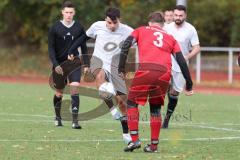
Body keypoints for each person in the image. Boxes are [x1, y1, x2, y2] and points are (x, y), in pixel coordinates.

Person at [118, 11, 193, 152]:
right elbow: (181, 60)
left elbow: (126, 44)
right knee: (155, 109)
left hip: (146, 71)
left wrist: (121, 68)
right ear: (163, 25)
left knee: (131, 103)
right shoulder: (170, 37)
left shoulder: (141, 30)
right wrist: (189, 83)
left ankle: (134, 140)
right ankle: (153, 146)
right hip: (164, 75)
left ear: (149, 23)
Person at [85, 7, 133, 143]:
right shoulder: (97, 26)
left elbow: (140, 41)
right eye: (109, 23)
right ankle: (112, 109)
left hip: (116, 67)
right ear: (105, 19)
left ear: (120, 20)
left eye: (115, 23)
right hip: (98, 62)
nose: (112, 26)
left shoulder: (128, 30)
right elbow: (83, 37)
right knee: (100, 78)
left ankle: (126, 135)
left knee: (122, 102)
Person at [48, 1, 89, 129]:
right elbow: (51, 48)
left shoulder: (79, 27)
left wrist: (86, 64)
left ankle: (75, 121)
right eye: (66, 12)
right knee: (59, 92)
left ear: (74, 13)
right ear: (62, 13)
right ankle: (58, 117)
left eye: (71, 12)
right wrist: (55, 64)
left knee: (75, 87)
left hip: (74, 63)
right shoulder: (55, 28)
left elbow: (84, 47)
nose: (69, 15)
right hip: (59, 64)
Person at [162, 5, 200, 129]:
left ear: (185, 16)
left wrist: (186, 57)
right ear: (173, 15)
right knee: (164, 85)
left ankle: (166, 120)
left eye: (180, 15)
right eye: (176, 15)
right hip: (166, 63)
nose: (178, 17)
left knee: (174, 94)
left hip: (181, 67)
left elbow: (197, 48)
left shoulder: (190, 29)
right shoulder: (166, 28)